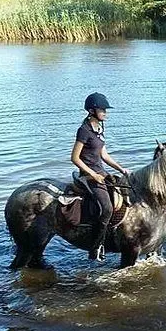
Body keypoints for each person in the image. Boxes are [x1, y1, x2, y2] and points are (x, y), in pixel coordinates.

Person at [71, 92, 130, 261]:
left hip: (101, 172)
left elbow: (103, 155)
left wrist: (120, 168)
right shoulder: (84, 131)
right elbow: (74, 158)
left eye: (105, 110)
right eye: (102, 110)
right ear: (91, 111)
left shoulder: (99, 129)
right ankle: (96, 247)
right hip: (88, 175)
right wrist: (93, 175)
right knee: (107, 208)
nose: (105, 113)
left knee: (124, 193)